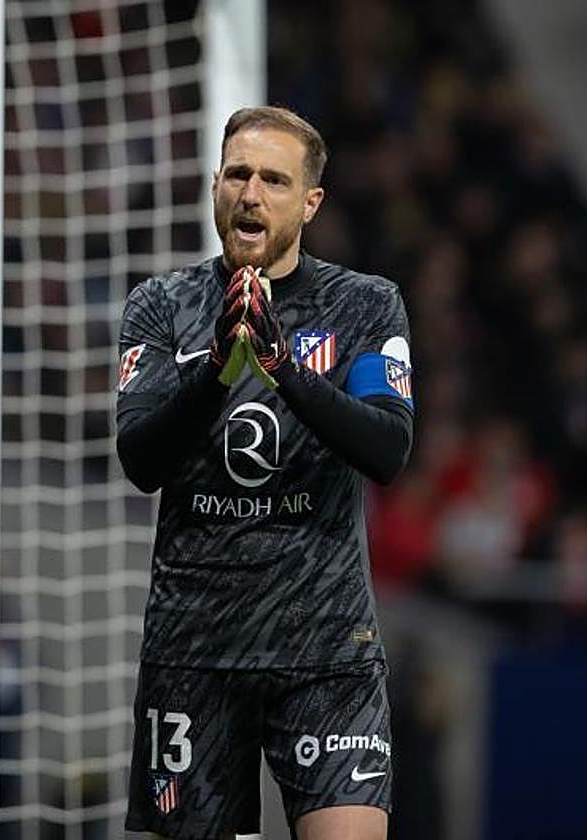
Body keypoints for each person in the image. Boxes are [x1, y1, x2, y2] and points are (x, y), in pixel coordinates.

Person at [116, 106, 415, 840]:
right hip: (195, 649)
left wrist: (281, 369)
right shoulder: (162, 308)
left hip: (326, 648)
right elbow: (140, 458)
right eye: (239, 174)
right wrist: (220, 368)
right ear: (215, 183)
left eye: (274, 180)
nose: (252, 193)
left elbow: (388, 449)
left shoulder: (366, 305)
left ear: (309, 203)